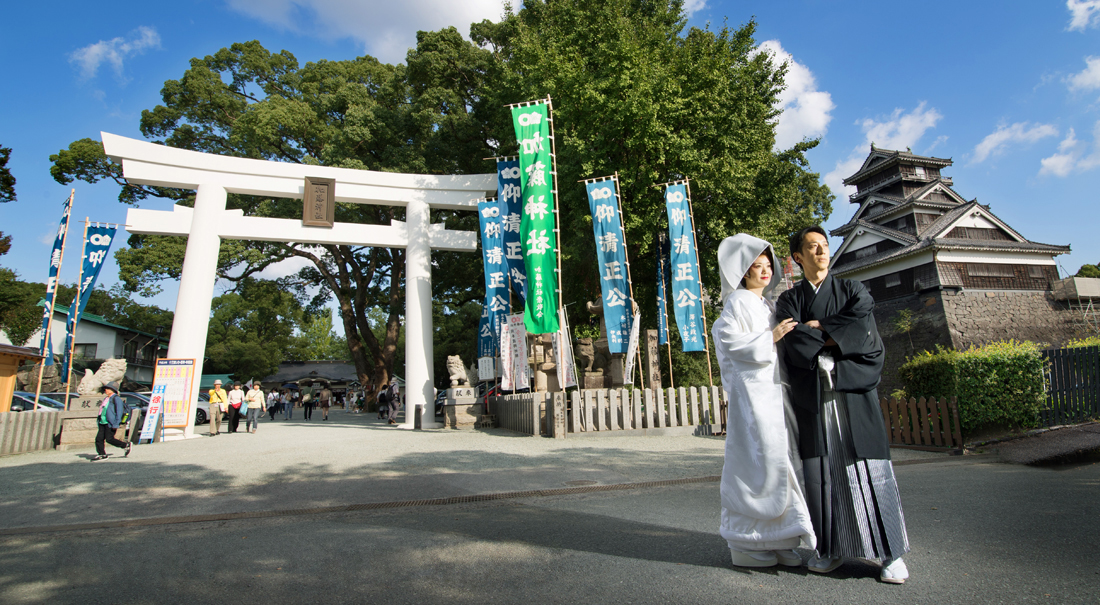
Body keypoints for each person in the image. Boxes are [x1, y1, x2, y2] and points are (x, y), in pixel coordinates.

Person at [775, 226, 910, 584]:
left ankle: (891, 553)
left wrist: (818, 327)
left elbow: (864, 331)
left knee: (869, 469)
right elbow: (793, 340)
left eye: (825, 245)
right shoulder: (789, 300)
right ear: (798, 257)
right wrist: (833, 334)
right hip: (815, 397)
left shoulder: (853, 290)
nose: (822, 251)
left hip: (853, 391)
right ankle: (830, 550)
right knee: (823, 476)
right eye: (812, 247)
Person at [713, 234, 815, 569]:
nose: (765, 271)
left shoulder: (767, 305)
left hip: (775, 391)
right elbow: (728, 339)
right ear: (744, 272)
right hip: (754, 396)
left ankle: (781, 538)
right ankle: (746, 541)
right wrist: (768, 338)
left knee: (780, 461)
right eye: (757, 266)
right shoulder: (738, 302)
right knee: (757, 464)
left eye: (768, 265)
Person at [93, 381, 131, 460]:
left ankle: (125, 445)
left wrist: (116, 423)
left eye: (108, 388)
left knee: (109, 439)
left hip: (110, 423)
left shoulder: (116, 398)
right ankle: (102, 454)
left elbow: (119, 412)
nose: (106, 390)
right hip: (102, 422)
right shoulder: (106, 399)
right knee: (99, 439)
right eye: (106, 388)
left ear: (113, 390)